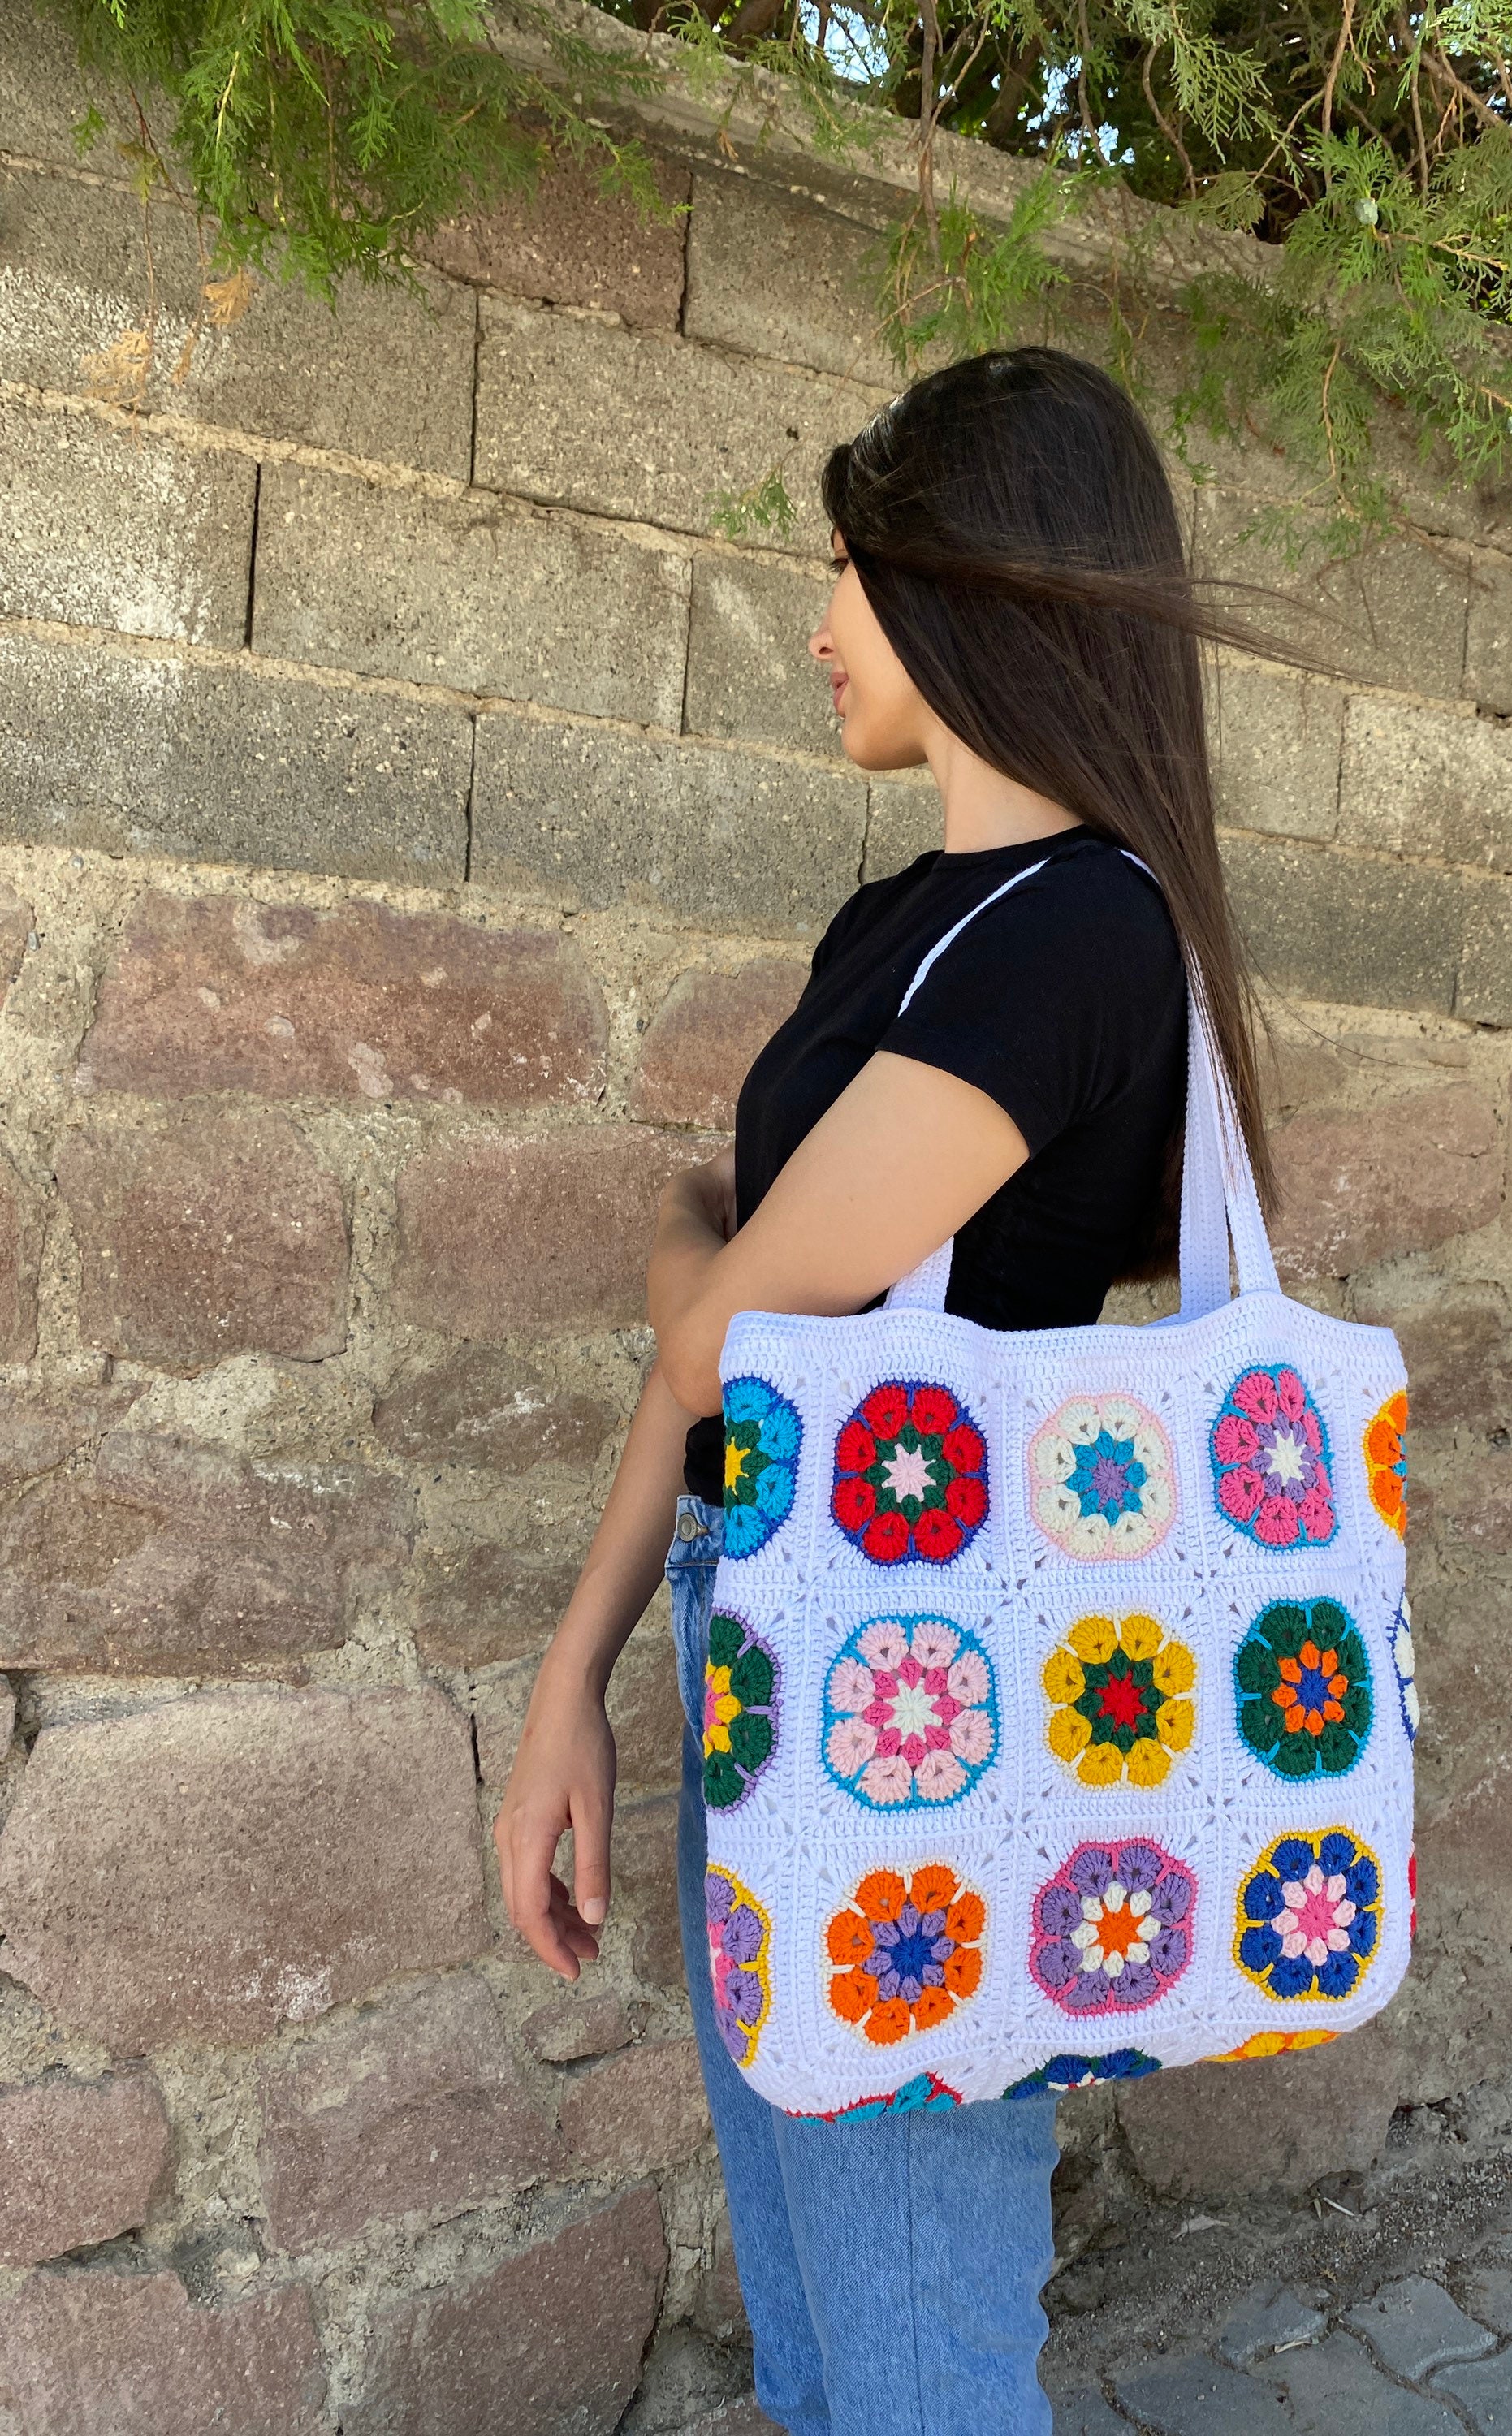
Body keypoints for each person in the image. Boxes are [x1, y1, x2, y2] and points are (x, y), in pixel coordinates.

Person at [495, 346, 1293, 2434]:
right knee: (822, 2357)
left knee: (919, 2374)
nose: (820, 623)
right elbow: (738, 1326)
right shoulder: (905, 922)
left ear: (968, 585)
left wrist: (694, 1259)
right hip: (784, 1643)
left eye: (845, 568)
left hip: (932, 1712)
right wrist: (577, 1672)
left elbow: (725, 1336)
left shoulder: (1081, 935)